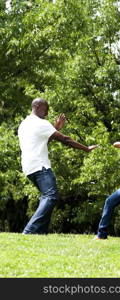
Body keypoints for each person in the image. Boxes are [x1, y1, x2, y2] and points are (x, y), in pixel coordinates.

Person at [18, 97, 98, 234]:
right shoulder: (41, 123)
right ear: (37, 106)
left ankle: (40, 233)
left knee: (47, 196)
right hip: (40, 165)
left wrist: (55, 128)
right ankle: (30, 230)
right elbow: (65, 140)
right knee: (51, 196)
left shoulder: (24, 124)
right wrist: (86, 148)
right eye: (45, 109)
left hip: (28, 166)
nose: (47, 113)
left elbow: (43, 142)